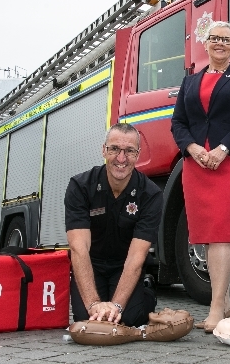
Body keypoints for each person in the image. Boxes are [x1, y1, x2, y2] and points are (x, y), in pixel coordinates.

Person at [171, 21, 230, 333]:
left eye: (226, 39)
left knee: (223, 232)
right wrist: (193, 148)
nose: (220, 43)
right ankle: (224, 303)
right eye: (214, 38)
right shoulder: (190, 82)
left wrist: (223, 149)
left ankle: (216, 309)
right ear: (206, 44)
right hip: (197, 163)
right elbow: (178, 124)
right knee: (206, 234)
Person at [65, 123, 162, 326]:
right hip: (92, 264)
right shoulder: (80, 186)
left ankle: (147, 288)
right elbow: (78, 248)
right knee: (87, 318)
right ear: (104, 150)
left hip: (124, 265)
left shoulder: (151, 194)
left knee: (127, 319)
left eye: (129, 151)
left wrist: (116, 306)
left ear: (138, 154)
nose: (121, 158)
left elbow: (137, 256)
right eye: (114, 149)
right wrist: (92, 303)